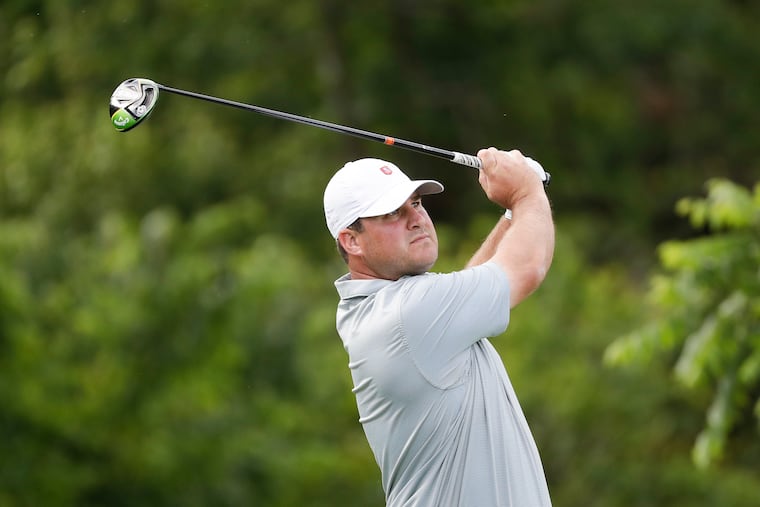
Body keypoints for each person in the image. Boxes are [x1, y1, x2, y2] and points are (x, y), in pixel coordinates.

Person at [323, 147, 555, 507]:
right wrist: (526, 193)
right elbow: (528, 267)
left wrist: (514, 213)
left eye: (416, 204)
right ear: (351, 240)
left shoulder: (401, 312)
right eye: (391, 214)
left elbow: (468, 288)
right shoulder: (407, 314)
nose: (415, 219)